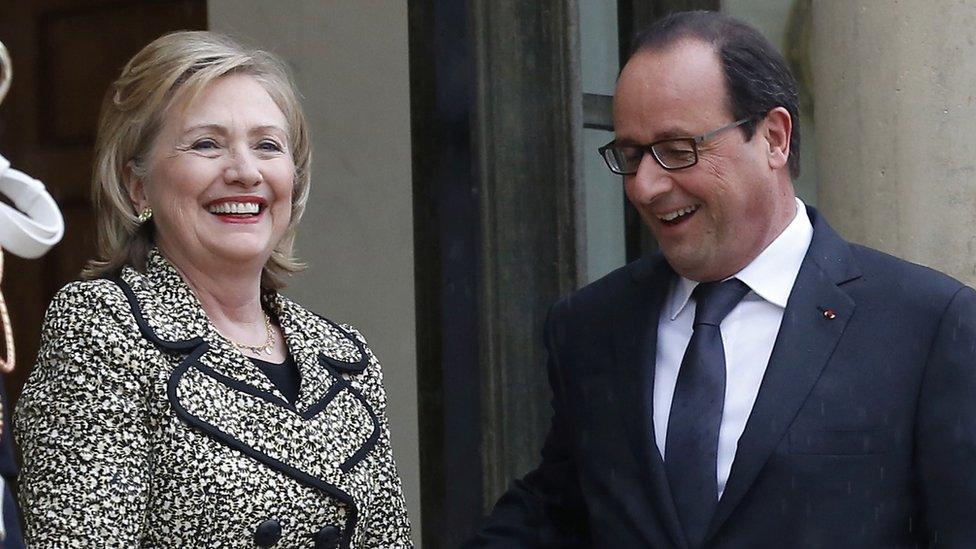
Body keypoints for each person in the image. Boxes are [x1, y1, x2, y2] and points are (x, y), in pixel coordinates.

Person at [469, 11, 976, 548]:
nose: (645, 186)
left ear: (774, 139)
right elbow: (557, 512)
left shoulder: (924, 326)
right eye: (631, 155)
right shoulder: (593, 327)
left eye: (676, 150)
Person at [14, 31, 412, 548]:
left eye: (267, 146)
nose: (246, 172)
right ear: (138, 186)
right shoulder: (100, 328)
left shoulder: (344, 355)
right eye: (207, 144)